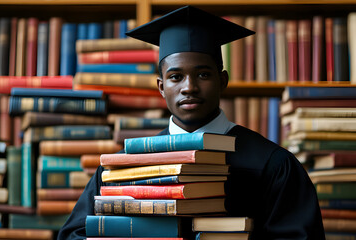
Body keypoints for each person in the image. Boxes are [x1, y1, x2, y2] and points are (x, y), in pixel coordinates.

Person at [58, 5, 325, 240]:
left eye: (203, 74)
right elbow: (74, 234)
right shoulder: (124, 165)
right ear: (161, 87)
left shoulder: (273, 164)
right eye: (176, 77)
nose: (190, 87)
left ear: (222, 81)